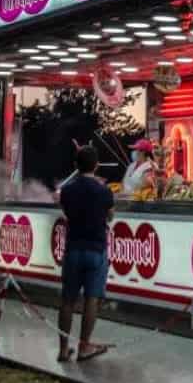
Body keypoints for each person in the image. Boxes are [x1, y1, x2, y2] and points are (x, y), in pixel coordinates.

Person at [57, 145, 114, 362]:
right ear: (96, 165)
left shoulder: (67, 190)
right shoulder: (103, 190)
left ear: (75, 165)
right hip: (96, 249)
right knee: (92, 299)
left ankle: (63, 349)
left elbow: (66, 212)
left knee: (68, 300)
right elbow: (110, 216)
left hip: (73, 249)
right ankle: (84, 346)